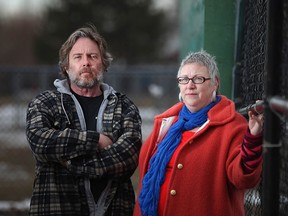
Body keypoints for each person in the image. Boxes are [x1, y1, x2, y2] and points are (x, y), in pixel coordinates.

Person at [26, 24, 142, 216]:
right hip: (57, 208)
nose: (86, 62)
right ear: (66, 65)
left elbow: (127, 157)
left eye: (93, 56)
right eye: (78, 57)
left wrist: (71, 163)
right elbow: (41, 141)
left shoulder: (124, 106)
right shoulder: (45, 103)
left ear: (103, 63)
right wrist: (96, 140)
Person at [133, 50, 264, 216]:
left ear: (215, 83)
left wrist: (253, 137)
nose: (190, 85)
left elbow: (244, 179)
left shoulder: (233, 125)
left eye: (198, 79)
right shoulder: (167, 123)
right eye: (184, 79)